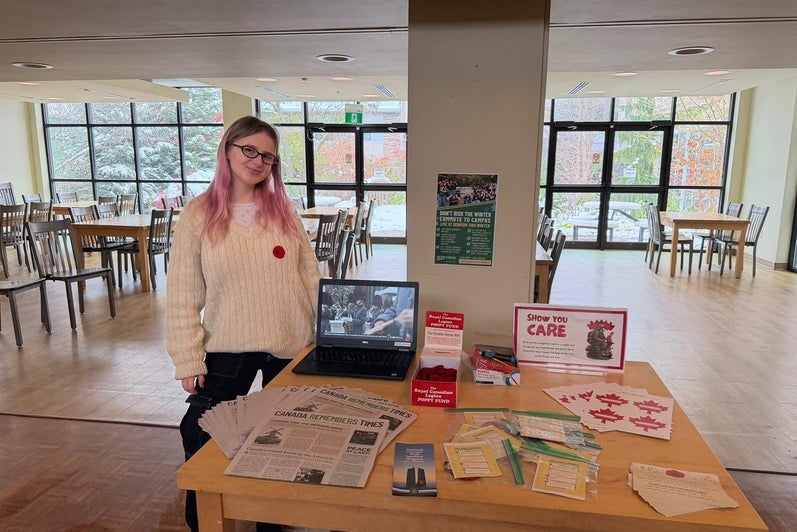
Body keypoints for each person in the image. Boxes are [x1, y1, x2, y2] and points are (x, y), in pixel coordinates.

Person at [166, 115, 321, 532]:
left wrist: (324, 336)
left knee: (283, 440)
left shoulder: (283, 211)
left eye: (267, 156)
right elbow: (182, 294)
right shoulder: (199, 215)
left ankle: (273, 522)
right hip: (227, 346)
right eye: (249, 149)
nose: (257, 161)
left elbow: (311, 278)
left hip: (288, 345)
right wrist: (188, 358)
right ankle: (206, 521)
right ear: (228, 150)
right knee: (199, 432)